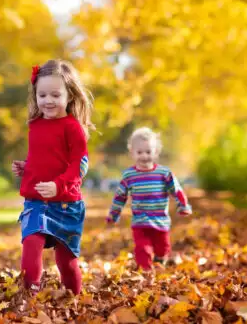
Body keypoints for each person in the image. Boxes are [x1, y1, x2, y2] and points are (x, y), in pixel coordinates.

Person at [12, 59, 95, 295]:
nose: (48, 100)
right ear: (35, 95)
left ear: (69, 96)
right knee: (30, 246)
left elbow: (78, 165)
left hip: (66, 204)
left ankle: (73, 299)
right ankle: (30, 295)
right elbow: (46, 158)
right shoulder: (35, 125)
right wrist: (27, 167)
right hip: (36, 201)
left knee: (66, 263)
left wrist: (58, 186)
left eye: (55, 95)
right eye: (42, 95)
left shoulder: (73, 128)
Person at [106, 127, 192, 270]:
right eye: (139, 152)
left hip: (161, 221)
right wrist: (114, 215)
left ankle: (160, 260)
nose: (144, 156)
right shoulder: (129, 175)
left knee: (162, 248)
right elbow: (120, 197)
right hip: (140, 222)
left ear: (156, 152)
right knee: (142, 248)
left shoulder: (164, 173)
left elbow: (176, 190)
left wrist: (183, 206)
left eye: (148, 152)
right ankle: (146, 271)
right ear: (132, 153)